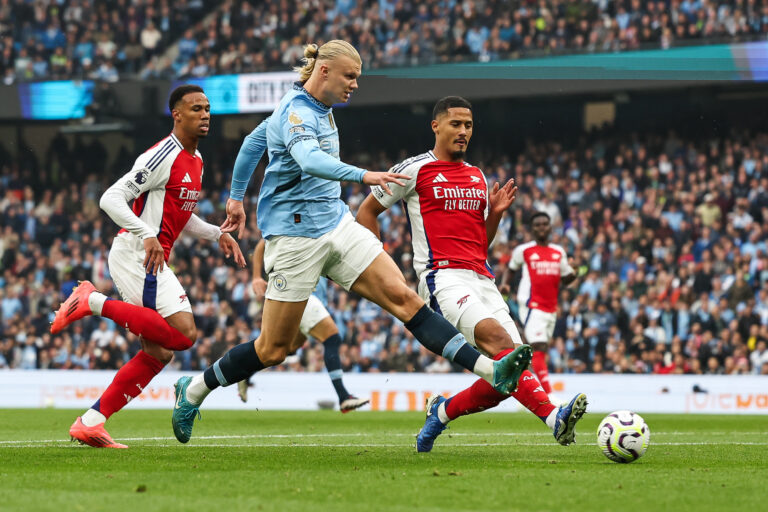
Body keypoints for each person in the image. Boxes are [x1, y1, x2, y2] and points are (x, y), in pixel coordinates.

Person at [171, 41, 531, 444]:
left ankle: (490, 369)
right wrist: (364, 175)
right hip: (294, 238)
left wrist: (236, 197)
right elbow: (308, 159)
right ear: (324, 71)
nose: (356, 84)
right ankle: (196, 389)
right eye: (350, 76)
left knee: (405, 299)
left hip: (338, 224)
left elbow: (255, 143)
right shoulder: (296, 112)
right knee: (273, 349)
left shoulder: (314, 108)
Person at [356, 96, 587, 452]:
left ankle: (442, 412)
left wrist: (493, 215)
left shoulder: (478, 176)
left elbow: (481, 244)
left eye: (468, 126)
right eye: (456, 124)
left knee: (510, 368)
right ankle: (554, 418)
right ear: (436, 126)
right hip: (442, 277)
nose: (463, 132)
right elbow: (366, 212)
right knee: (499, 345)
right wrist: (380, 267)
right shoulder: (415, 169)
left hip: (482, 277)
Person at [50, 84, 246, 448]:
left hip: (151, 255)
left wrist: (216, 234)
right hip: (135, 254)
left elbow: (181, 216)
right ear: (176, 114)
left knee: (159, 351)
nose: (205, 115)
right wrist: (146, 234)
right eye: (195, 109)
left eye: (207, 109)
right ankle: (91, 301)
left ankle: (90, 422)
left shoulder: (196, 161)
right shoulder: (162, 155)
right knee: (184, 334)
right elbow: (111, 198)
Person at [238, 238, 368, 413]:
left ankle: (245, 372)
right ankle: (344, 397)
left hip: (312, 297)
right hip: (301, 293)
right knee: (332, 338)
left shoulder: (324, 226)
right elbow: (262, 243)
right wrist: (255, 277)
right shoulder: (297, 223)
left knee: (281, 351)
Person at [501, 211, 577, 397]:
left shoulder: (559, 252)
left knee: (538, 351)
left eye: (545, 224)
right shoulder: (524, 250)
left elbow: (566, 278)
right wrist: (505, 284)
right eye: (538, 225)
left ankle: (524, 390)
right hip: (531, 305)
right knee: (539, 347)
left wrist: (575, 272)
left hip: (551, 308)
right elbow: (511, 270)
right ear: (532, 229)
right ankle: (549, 396)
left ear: (550, 227)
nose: (542, 227)